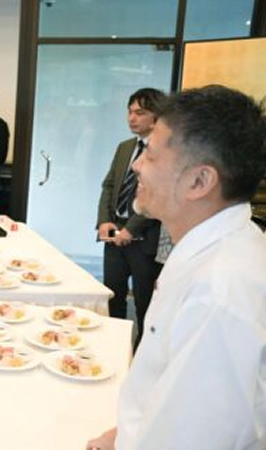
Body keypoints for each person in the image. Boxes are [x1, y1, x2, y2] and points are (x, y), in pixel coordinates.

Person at [86, 86, 266, 449]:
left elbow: (192, 438)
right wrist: (121, 435)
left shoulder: (222, 294)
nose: (137, 165)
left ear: (199, 181)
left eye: (151, 156)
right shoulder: (208, 247)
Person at [96, 88, 166, 349]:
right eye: (130, 111)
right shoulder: (125, 147)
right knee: (112, 296)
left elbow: (158, 193)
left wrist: (131, 229)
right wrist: (104, 221)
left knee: (144, 304)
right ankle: (112, 349)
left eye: (140, 112)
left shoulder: (164, 151)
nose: (132, 117)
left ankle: (138, 357)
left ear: (156, 117)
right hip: (114, 232)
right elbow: (109, 185)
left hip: (145, 239)